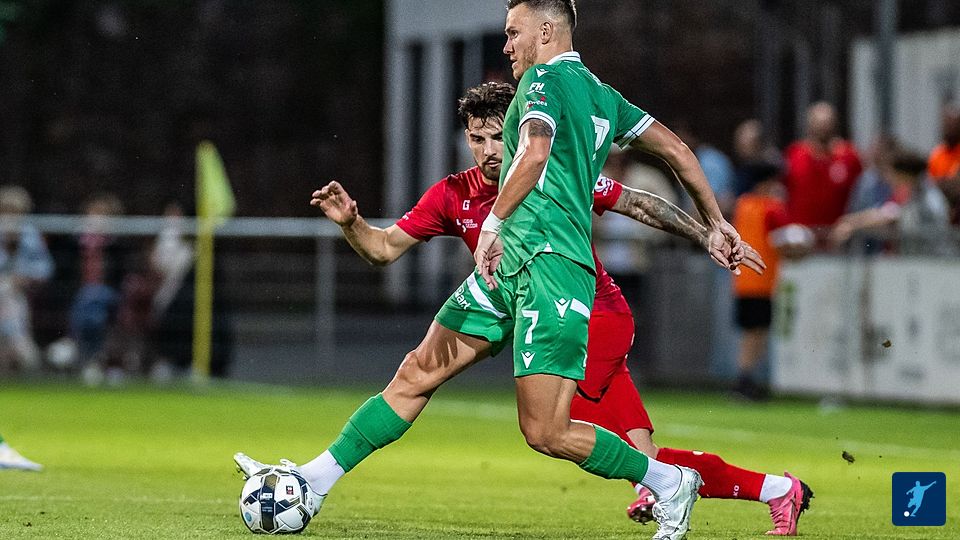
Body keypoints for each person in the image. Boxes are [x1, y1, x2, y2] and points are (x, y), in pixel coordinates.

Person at [238, 3, 745, 538]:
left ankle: (668, 481)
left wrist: (495, 223)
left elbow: (552, 160)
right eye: (475, 138)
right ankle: (314, 479)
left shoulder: (543, 84)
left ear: (545, 31)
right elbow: (676, 150)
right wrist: (714, 223)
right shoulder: (598, 97)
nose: (506, 45)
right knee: (416, 372)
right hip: (505, 277)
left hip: (551, 272)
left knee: (545, 431)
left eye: (512, 32)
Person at [308, 81, 811, 535]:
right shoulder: (453, 194)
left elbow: (637, 202)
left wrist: (705, 233)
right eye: (476, 139)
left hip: (592, 316)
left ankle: (681, 484)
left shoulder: (554, 174)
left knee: (570, 437)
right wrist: (352, 224)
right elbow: (383, 249)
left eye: (497, 137)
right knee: (419, 373)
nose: (487, 150)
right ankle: (774, 490)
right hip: (516, 304)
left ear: (520, 130)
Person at [730, 163, 794, 401]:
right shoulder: (771, 207)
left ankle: (744, 379)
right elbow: (784, 238)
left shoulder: (743, 204)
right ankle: (746, 380)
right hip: (762, 279)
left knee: (748, 333)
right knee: (757, 334)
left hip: (741, 280)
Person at [830, 150, 952, 256]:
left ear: (904, 175)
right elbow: (887, 213)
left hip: (932, 260)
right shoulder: (914, 194)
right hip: (918, 260)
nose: (889, 180)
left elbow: (890, 216)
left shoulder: (929, 200)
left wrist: (852, 224)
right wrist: (850, 222)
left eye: (892, 174)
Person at [783, 102, 862, 229]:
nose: (823, 128)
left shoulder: (849, 156)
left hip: (838, 233)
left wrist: (851, 224)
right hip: (802, 232)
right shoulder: (794, 154)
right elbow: (782, 191)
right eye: (818, 123)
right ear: (809, 125)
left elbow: (860, 194)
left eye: (827, 123)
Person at [0, 185, 54, 371]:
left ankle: (20, 350)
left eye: (15, 212)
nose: (10, 216)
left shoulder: (30, 235)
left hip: (20, 294)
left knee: (10, 299)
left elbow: (45, 268)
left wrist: (24, 277)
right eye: (6, 211)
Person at [927, 102, 960, 224]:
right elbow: (930, 183)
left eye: (953, 125)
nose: (949, 129)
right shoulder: (937, 154)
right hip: (940, 207)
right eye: (946, 125)